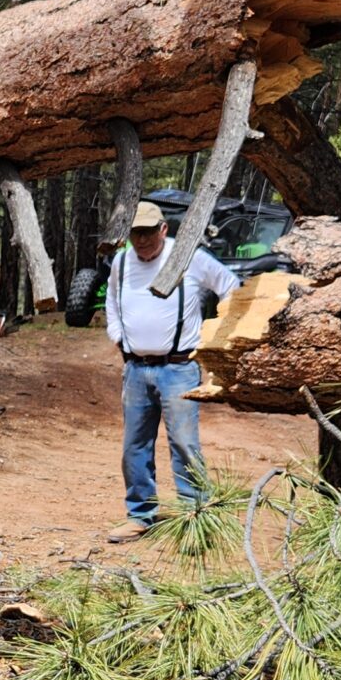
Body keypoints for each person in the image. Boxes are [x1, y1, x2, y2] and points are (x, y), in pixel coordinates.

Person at [103, 198, 239, 541]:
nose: (143, 240)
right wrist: (117, 336)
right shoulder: (121, 262)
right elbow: (112, 302)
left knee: (184, 443)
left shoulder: (188, 257)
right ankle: (140, 516)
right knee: (134, 446)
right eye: (136, 233)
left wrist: (216, 338)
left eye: (149, 232)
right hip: (135, 370)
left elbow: (231, 287)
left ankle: (196, 519)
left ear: (164, 229)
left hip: (178, 368)